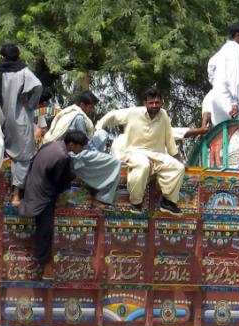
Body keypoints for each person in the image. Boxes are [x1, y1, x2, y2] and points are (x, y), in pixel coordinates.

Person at [95, 86, 185, 215]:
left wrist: (176, 156)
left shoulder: (164, 114)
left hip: (157, 154)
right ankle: (136, 203)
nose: (154, 105)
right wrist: (98, 127)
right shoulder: (133, 112)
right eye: (151, 103)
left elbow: (169, 136)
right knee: (143, 165)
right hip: (133, 151)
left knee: (178, 167)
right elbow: (113, 115)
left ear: (162, 102)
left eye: (157, 102)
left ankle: (168, 202)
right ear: (145, 103)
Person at [19, 130, 89, 279]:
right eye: (80, 147)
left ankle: (44, 265)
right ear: (72, 144)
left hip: (32, 186)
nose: (81, 150)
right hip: (41, 196)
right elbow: (58, 181)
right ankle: (46, 267)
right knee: (46, 230)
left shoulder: (52, 145)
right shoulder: (62, 157)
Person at [41, 91, 122, 206]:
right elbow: (83, 143)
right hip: (75, 154)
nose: (92, 110)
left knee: (102, 134)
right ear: (82, 105)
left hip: (73, 150)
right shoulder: (78, 117)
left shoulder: (70, 113)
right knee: (115, 163)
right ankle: (103, 197)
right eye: (90, 107)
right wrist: (101, 155)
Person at [0, 43, 43, 206]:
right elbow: (38, 86)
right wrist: (30, 104)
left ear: (2, 57)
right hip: (20, 119)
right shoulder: (24, 72)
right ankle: (15, 195)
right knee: (23, 157)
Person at [204, 21, 239, 124]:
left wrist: (215, 83)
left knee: (221, 131)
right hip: (227, 98)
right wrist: (234, 102)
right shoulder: (236, 51)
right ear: (238, 35)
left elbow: (210, 65)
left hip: (215, 97)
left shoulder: (224, 49)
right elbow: (234, 78)